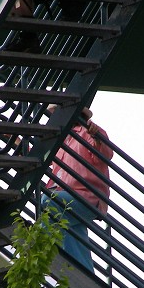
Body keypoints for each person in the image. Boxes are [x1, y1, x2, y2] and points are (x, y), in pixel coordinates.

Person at [43, 106, 113, 274]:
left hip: (85, 196)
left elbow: (104, 153)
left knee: (49, 203)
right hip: (68, 196)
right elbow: (43, 157)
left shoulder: (87, 131)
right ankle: (86, 277)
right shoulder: (60, 140)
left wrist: (96, 137)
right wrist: (16, 142)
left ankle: (44, 252)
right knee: (73, 233)